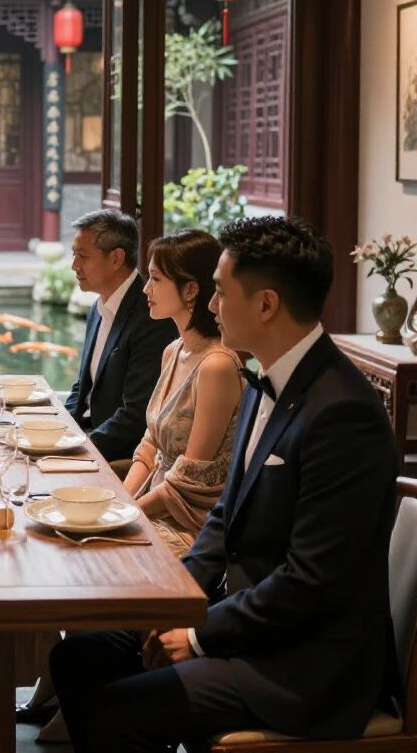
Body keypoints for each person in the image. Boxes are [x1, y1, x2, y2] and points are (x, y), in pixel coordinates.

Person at [50, 216, 400, 752]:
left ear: (265, 305)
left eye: (220, 291)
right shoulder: (265, 380)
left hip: (302, 663)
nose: (211, 305)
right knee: (77, 656)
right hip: (245, 620)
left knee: (116, 712)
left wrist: (197, 634)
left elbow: (310, 582)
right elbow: (222, 521)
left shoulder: (342, 411)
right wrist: (172, 609)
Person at [124, 229, 243, 556]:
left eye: (155, 279)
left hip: (189, 523)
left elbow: (190, 477)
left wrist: (125, 515)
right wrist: (121, 501)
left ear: (190, 289)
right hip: (152, 505)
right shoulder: (173, 351)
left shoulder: (217, 366)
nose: (146, 289)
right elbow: (149, 446)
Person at [64, 209, 177, 462]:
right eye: (74, 255)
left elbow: (136, 415)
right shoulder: (98, 307)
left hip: (119, 455)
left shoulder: (151, 315)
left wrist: (77, 451)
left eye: (82, 256)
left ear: (116, 258)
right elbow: (83, 388)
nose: (74, 265)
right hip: (90, 436)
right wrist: (57, 430)